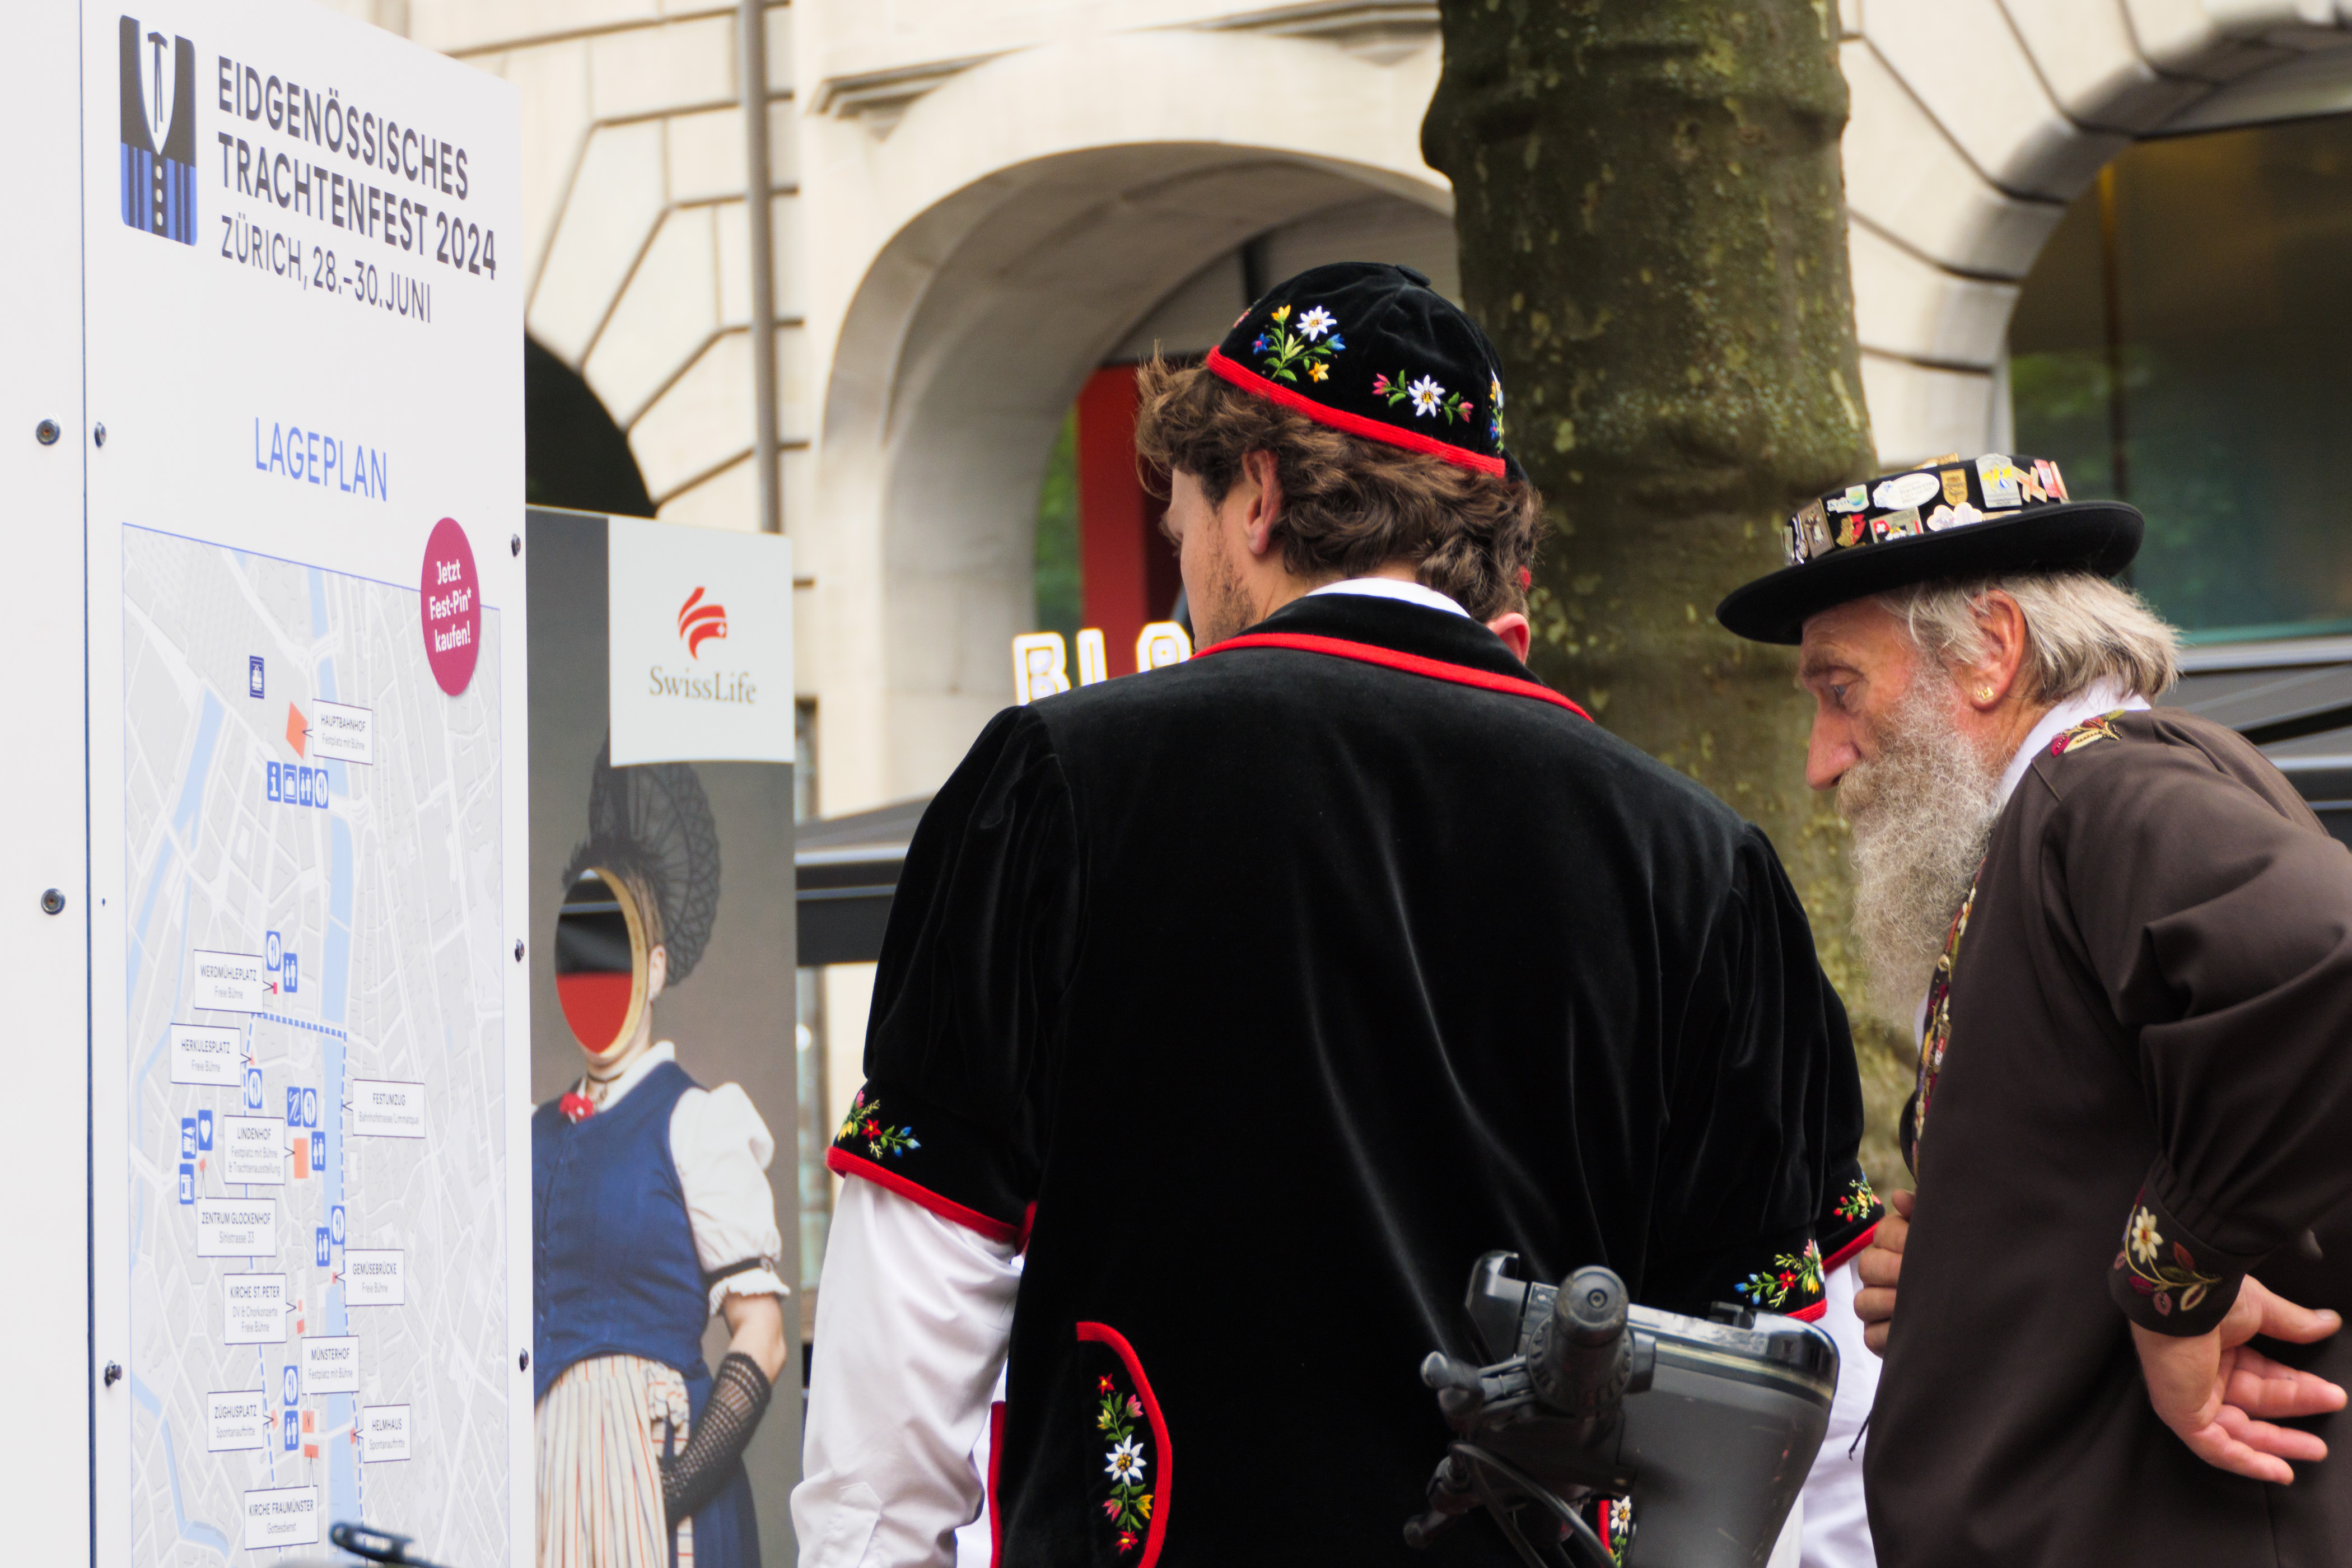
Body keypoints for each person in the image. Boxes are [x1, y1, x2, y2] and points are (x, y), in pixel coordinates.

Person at [794, 262, 1866, 1566]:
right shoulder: (1700, 861)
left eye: (1178, 520)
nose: (1182, 568)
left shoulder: (1061, 786)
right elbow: (1788, 1385)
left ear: (1259, 493)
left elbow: (916, 1307)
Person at [1714, 455, 2352, 1566]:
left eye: (1840, 687)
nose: (1822, 761)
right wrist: (1976, 1246)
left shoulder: (2104, 792)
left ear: (1993, 649)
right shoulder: (2069, 813)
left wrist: (2171, 1285)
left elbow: (2326, 970)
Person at [533, 769, 791, 1568]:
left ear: (656, 967)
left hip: (663, 1487)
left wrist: (670, 1486)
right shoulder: (531, 1134)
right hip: (544, 1481)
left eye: (615, 952)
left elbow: (764, 1336)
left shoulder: (696, 1122)